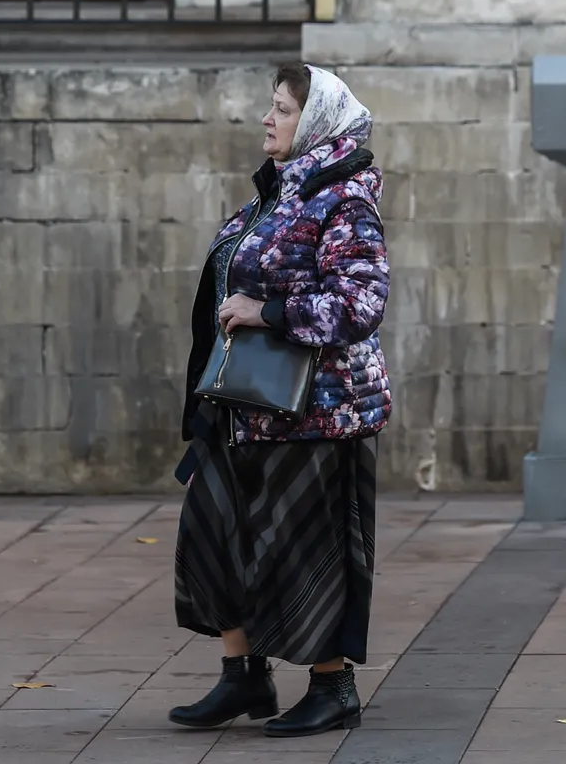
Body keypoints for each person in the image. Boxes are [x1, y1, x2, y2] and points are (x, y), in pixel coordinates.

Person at [167, 61, 392, 739]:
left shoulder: (342, 199)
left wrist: (268, 311)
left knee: (305, 551)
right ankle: (244, 678)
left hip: (316, 412)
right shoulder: (277, 194)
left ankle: (334, 688)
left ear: (316, 122)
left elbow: (361, 303)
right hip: (242, 408)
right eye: (271, 107)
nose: (268, 119)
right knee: (213, 535)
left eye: (283, 110)